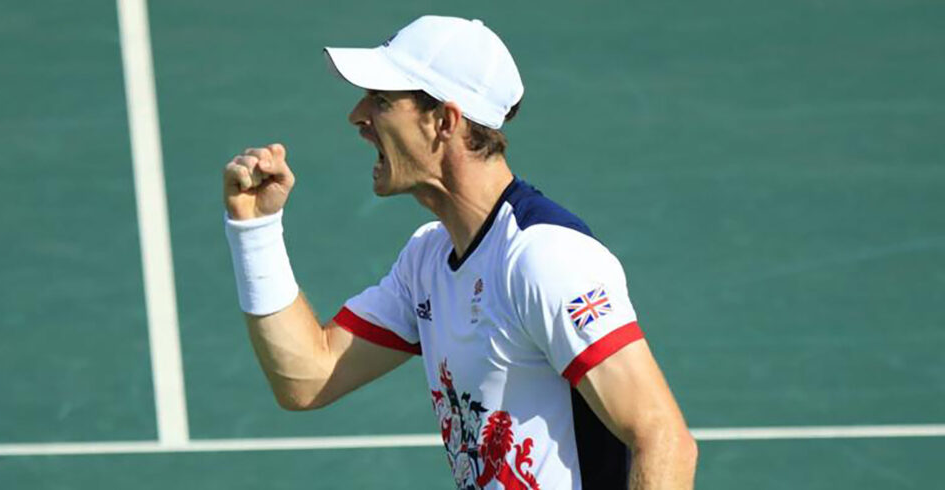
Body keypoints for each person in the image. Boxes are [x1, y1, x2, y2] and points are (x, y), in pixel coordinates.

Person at [222, 15, 697, 490]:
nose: (358, 116)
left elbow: (662, 437)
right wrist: (255, 228)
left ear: (444, 122)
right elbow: (307, 377)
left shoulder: (543, 257)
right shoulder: (427, 259)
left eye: (382, 101)